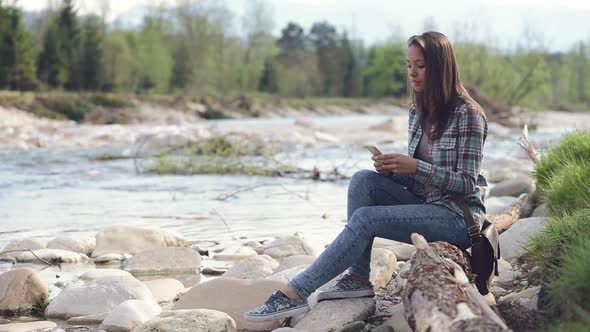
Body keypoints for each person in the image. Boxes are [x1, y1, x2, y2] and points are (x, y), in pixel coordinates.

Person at [244, 31, 489, 322]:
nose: (412, 72)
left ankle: (295, 293)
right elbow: (422, 184)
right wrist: (395, 171)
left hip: (458, 218)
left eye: (420, 65)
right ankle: (358, 279)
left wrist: (413, 166)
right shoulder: (417, 111)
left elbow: (466, 183)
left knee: (366, 218)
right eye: (408, 65)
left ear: (441, 66)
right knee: (363, 180)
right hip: (429, 205)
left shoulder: (468, 114)